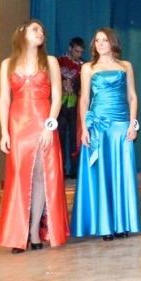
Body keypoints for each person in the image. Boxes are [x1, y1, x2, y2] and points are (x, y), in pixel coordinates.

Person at [0, 20, 70, 253]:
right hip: (18, 123)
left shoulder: (50, 61)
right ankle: (18, 233)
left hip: (42, 120)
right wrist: (4, 132)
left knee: (40, 176)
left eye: (42, 31)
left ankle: (35, 230)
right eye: (35, 29)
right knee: (19, 176)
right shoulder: (7, 64)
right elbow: (4, 99)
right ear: (22, 33)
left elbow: (57, 97)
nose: (40, 33)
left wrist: (49, 126)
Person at [70, 28, 141, 240]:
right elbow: (84, 99)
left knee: (121, 172)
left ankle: (122, 223)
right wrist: (84, 128)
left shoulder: (125, 66)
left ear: (113, 42)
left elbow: (132, 97)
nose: (101, 44)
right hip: (98, 126)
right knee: (101, 174)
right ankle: (105, 225)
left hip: (121, 125)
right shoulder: (88, 67)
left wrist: (133, 124)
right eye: (97, 40)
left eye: (104, 40)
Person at [57, 37, 85, 179]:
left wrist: (74, 86)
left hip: (75, 106)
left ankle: (75, 170)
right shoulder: (58, 61)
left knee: (75, 138)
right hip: (60, 106)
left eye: (81, 52)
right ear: (70, 48)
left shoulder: (83, 65)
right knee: (60, 137)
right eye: (76, 51)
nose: (78, 55)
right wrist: (62, 85)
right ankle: (60, 169)